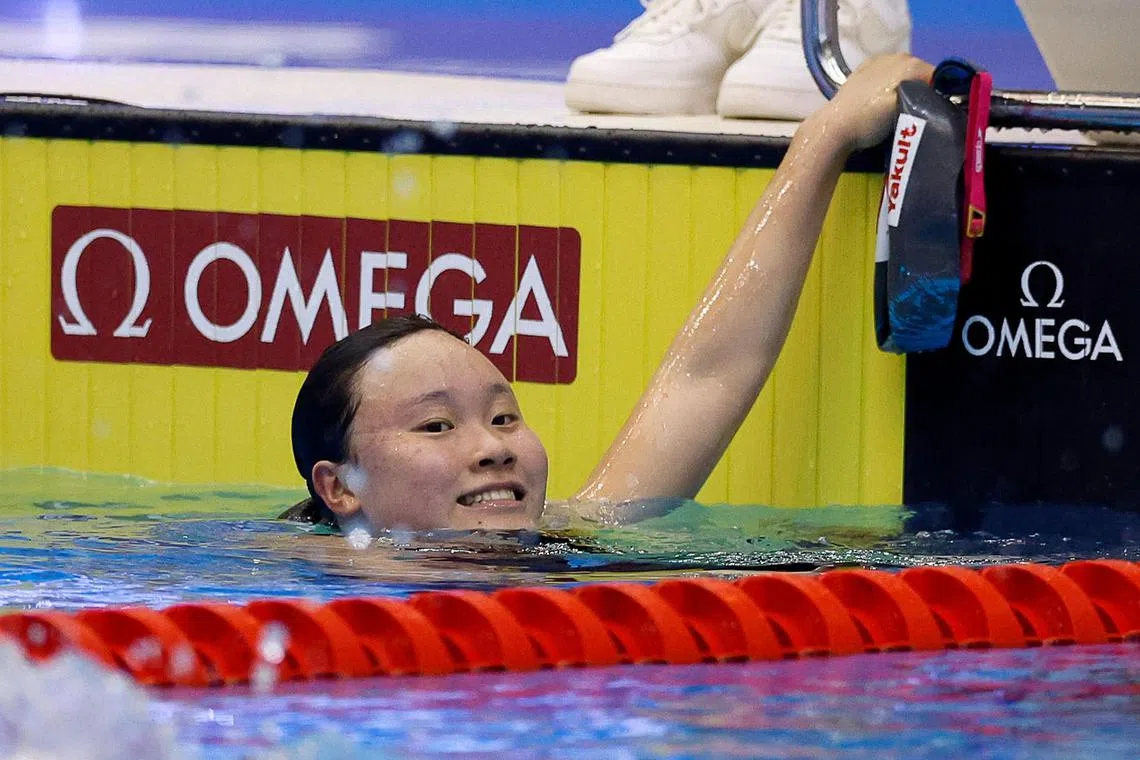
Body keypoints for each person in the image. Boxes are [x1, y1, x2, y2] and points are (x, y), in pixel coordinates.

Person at [286, 54, 934, 534]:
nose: (494, 447)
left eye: (505, 416)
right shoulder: (286, 590)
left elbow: (707, 375)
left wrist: (827, 134)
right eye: (436, 425)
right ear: (340, 487)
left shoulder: (580, 539)